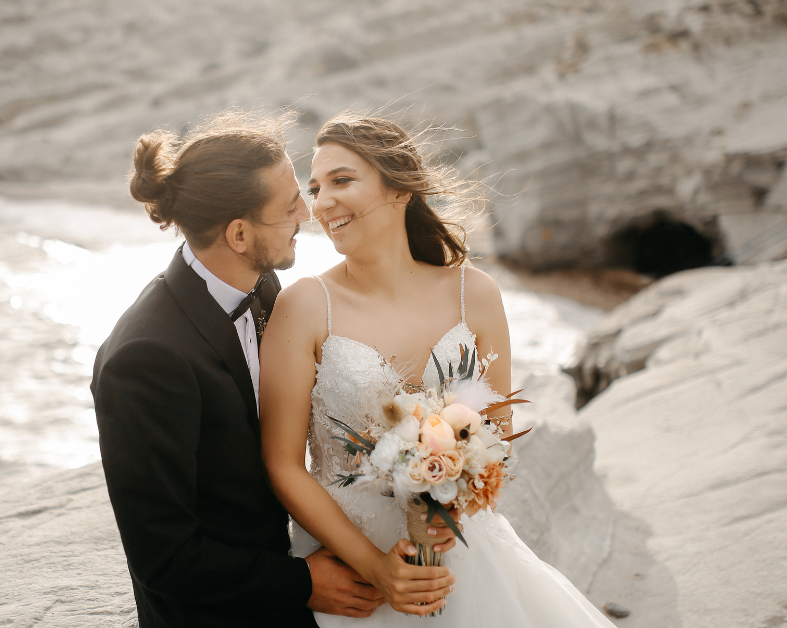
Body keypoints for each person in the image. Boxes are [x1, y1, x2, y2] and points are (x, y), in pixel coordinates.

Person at [90, 110, 458, 628]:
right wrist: (302, 583)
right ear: (239, 234)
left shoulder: (263, 289)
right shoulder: (145, 359)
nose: (309, 214)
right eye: (290, 207)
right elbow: (164, 559)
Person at [260, 114, 618, 626]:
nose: (322, 203)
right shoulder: (305, 306)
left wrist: (456, 503)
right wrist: (377, 568)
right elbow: (283, 464)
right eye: (315, 189)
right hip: (351, 571)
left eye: (342, 181)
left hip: (465, 555)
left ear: (400, 188)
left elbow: (497, 435)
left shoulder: (477, 294)